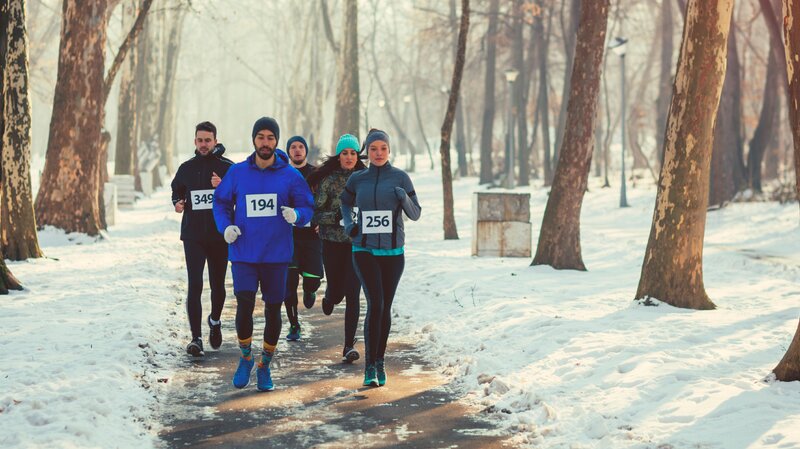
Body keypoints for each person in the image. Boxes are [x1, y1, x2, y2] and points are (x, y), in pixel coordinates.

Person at [212, 117, 314, 392]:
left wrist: (298, 215)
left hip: (276, 256)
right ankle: (246, 358)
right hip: (244, 253)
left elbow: (307, 206)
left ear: (276, 141)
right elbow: (220, 202)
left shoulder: (290, 176)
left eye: (270, 137)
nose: (265, 142)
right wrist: (225, 227)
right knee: (244, 305)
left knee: (272, 310)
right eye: (261, 137)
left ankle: (264, 365)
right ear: (254, 140)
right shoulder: (238, 173)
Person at [341, 129, 421, 387]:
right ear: (367, 151)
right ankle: (369, 367)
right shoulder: (357, 179)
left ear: (389, 150)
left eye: (383, 149)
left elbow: (415, 213)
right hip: (363, 249)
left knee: (384, 307)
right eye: (373, 149)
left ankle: (379, 361)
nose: (378, 153)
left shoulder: (401, 177)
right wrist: (348, 224)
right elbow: (345, 202)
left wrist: (403, 197)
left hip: (393, 253)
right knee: (375, 303)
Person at [170, 121, 233, 357]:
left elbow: (239, 195)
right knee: (194, 284)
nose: (204, 144)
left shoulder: (227, 168)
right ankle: (195, 338)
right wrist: (178, 202)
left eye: (208, 140)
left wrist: (223, 186)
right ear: (195, 141)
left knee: (217, 284)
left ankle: (215, 320)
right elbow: (177, 190)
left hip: (219, 236)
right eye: (200, 140)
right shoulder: (186, 168)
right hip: (193, 235)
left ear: (215, 141)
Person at [307, 134, 366, 362]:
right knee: (338, 292)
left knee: (353, 294)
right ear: (339, 156)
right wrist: (336, 217)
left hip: (357, 245)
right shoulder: (329, 180)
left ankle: (349, 345)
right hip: (332, 243)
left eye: (353, 153)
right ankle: (330, 297)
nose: (349, 157)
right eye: (345, 153)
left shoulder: (365, 178)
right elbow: (314, 214)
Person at [283, 135, 324, 341]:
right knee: (288, 284)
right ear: (288, 151)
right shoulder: (283, 173)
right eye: (293, 147)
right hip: (288, 237)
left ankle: (310, 290)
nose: (297, 150)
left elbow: (325, 201)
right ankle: (294, 325)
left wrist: (321, 221)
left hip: (312, 236)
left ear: (306, 150)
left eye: (301, 146)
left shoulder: (316, 174)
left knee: (313, 279)